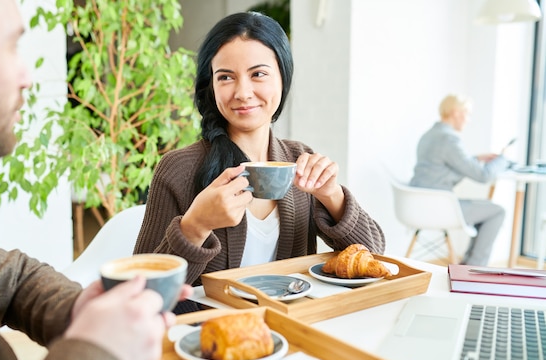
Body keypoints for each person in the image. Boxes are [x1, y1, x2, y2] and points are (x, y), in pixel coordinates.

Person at [0, 1, 191, 360]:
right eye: (10, 46)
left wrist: (81, 307)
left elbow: (11, 277)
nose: (27, 77)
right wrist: (94, 356)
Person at [134, 12, 385, 290]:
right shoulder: (178, 169)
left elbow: (375, 256)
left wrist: (332, 196)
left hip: (292, 325)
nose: (243, 92)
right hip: (209, 330)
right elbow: (142, 290)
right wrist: (195, 227)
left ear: (282, 78)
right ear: (211, 86)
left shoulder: (299, 160)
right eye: (226, 77)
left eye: (258, 74)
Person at [409, 93, 509, 266]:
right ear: (456, 112)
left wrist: (476, 158)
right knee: (497, 211)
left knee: (486, 209)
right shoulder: (449, 139)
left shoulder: (429, 135)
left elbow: (441, 167)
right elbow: (483, 176)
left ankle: (469, 265)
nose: (468, 120)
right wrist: (503, 159)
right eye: (467, 114)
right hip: (439, 207)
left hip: (419, 204)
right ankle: (474, 268)